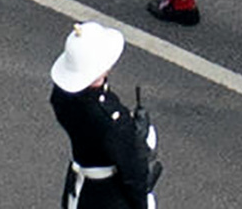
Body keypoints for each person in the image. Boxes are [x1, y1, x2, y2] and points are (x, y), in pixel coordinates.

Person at [50, 20, 160, 209]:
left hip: (80, 186)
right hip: (108, 196)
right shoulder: (109, 118)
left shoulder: (64, 97)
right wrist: (136, 138)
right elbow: (133, 171)